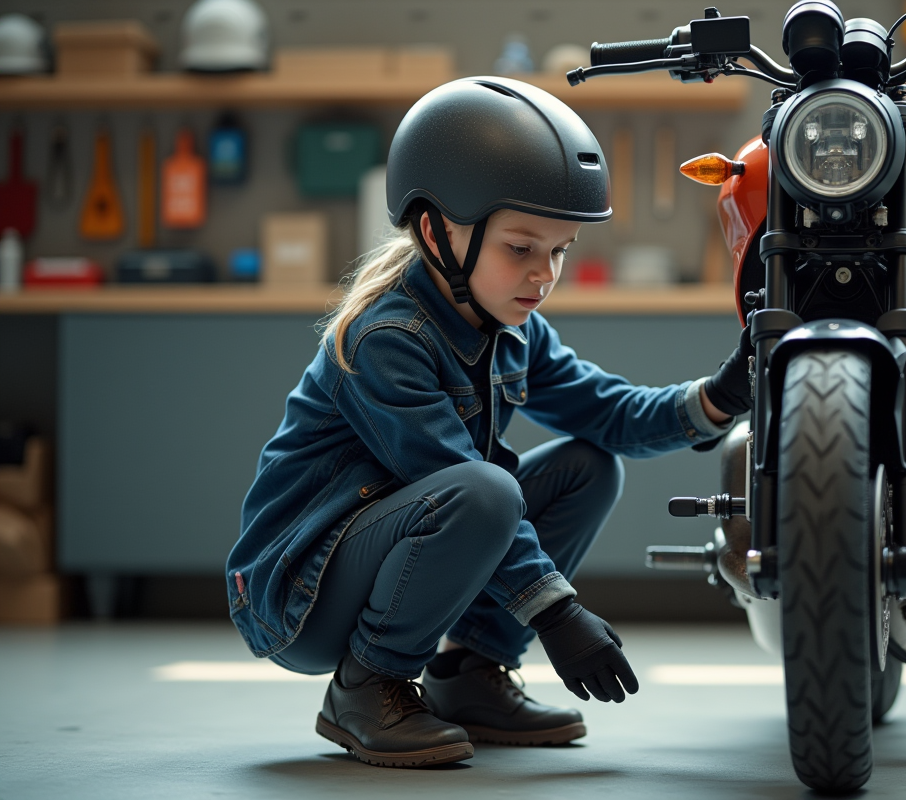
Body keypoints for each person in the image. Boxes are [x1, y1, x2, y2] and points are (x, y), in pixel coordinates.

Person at [225, 77, 753, 769]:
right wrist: (558, 614)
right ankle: (364, 687)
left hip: (399, 547)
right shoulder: (386, 337)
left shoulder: (512, 327)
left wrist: (722, 394)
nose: (544, 274)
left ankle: (471, 673)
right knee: (485, 488)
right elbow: (450, 478)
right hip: (300, 594)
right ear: (437, 230)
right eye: (521, 248)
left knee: (587, 467)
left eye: (559, 251)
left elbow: (609, 414)